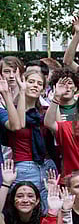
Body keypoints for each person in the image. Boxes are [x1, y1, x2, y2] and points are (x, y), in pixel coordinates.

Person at [0, 69, 57, 207]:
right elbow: (19, 124)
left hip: (46, 166)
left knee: (46, 211)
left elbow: (57, 132)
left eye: (39, 83)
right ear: (22, 83)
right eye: (30, 82)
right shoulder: (11, 111)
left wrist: (56, 100)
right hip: (23, 167)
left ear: (43, 90)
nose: (34, 85)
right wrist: (21, 92)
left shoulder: (45, 112)